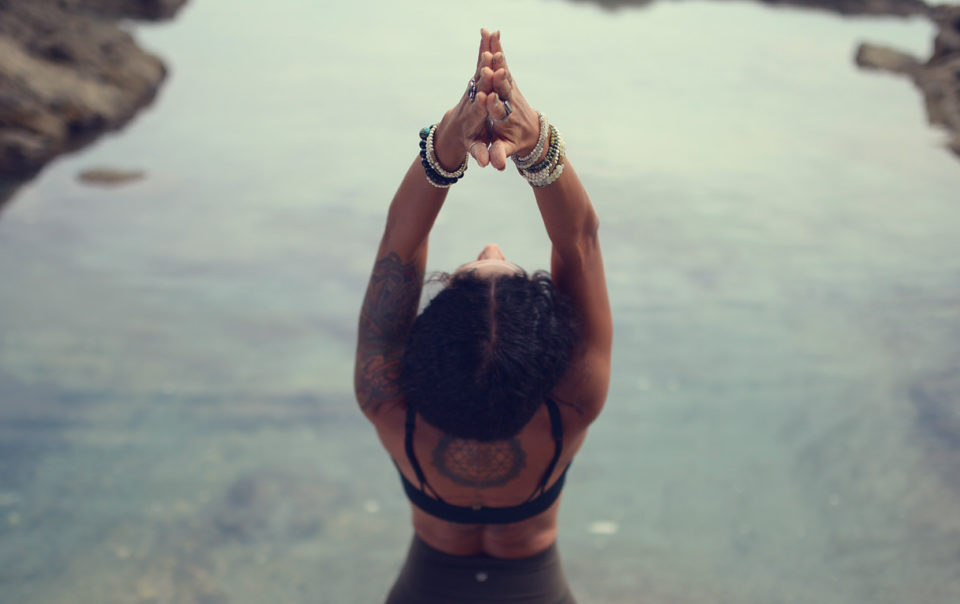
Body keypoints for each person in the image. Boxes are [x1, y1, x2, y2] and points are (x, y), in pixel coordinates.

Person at [354, 28, 612, 604]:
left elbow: (401, 236)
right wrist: (533, 140)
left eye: (475, 265)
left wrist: (448, 141)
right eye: (507, 266)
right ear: (550, 351)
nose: (492, 248)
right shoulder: (571, 404)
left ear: (425, 341)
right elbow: (580, 244)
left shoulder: (389, 403)